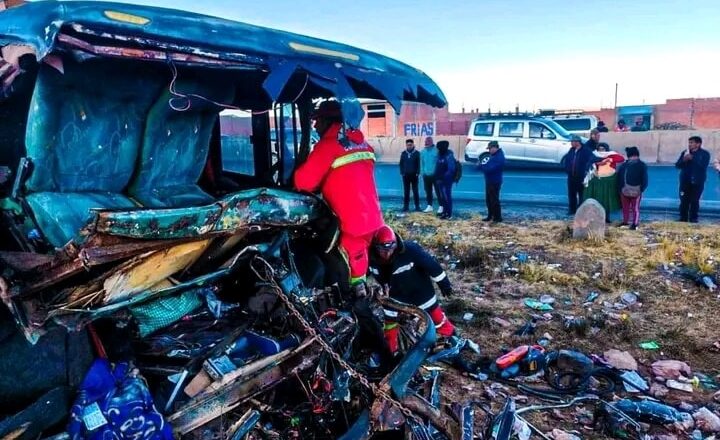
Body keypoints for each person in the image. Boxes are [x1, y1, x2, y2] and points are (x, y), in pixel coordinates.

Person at [294, 100, 383, 296]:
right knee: (359, 267)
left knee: (349, 279)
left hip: (351, 225)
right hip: (372, 220)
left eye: (318, 120)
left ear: (329, 121)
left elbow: (303, 183)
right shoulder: (362, 144)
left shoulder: (328, 146)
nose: (315, 125)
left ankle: (357, 312)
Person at [369, 225, 455, 354]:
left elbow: (432, 266)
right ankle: (391, 351)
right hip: (393, 297)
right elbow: (362, 272)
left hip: (420, 292)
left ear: (395, 244)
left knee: (435, 317)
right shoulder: (371, 257)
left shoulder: (410, 250)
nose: (387, 253)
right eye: (382, 249)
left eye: (390, 248)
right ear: (376, 247)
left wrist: (444, 284)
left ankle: (451, 337)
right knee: (390, 324)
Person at [583, 146, 625, 223]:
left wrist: (610, 159)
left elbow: (621, 158)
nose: (601, 151)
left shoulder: (610, 155)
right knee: (598, 199)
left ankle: (606, 217)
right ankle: (596, 217)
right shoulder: (594, 155)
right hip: (598, 181)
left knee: (607, 200)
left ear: (606, 149)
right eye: (600, 149)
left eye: (603, 149)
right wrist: (598, 163)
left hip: (609, 182)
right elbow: (589, 164)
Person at [675, 135, 711, 223]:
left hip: (698, 181)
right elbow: (677, 165)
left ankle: (693, 218)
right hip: (685, 181)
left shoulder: (705, 154)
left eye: (692, 143)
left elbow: (703, 166)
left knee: (695, 200)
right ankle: (683, 217)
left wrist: (693, 158)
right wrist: (684, 159)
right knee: (684, 200)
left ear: (698, 144)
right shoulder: (685, 152)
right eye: (689, 142)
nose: (689, 144)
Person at [616, 146, 648, 230]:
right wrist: (641, 189)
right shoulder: (642, 165)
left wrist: (620, 189)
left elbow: (619, 177)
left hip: (624, 190)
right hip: (636, 190)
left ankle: (626, 221)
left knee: (626, 208)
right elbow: (645, 180)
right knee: (635, 208)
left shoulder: (624, 165)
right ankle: (634, 223)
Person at [562, 135, 596, 215]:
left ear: (577, 142)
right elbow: (567, 160)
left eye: (572, 141)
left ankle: (581, 211)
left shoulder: (586, 151)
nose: (571, 143)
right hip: (571, 176)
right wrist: (567, 169)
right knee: (571, 194)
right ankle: (572, 210)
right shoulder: (571, 150)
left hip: (581, 176)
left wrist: (585, 169)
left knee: (582, 194)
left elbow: (592, 159)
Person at [479, 140, 505, 222]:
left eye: (490, 148)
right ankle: (490, 215)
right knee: (489, 199)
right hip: (490, 180)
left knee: (494, 200)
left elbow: (490, 168)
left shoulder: (498, 157)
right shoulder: (494, 155)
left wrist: (481, 167)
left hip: (494, 181)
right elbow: (488, 165)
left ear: (495, 148)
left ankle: (497, 217)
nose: (489, 150)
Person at [434, 140, 456, 219]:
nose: (437, 149)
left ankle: (449, 214)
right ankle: (444, 211)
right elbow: (437, 166)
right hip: (439, 180)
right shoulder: (439, 154)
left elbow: (451, 169)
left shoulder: (449, 156)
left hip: (446, 181)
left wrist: (442, 177)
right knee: (442, 197)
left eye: (438, 148)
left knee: (447, 196)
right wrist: (436, 176)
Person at [420, 136, 441, 213]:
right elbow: (421, 163)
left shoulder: (436, 151)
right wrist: (422, 173)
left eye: (428, 143)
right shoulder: (422, 152)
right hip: (426, 175)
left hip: (435, 175)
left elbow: (439, 163)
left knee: (438, 191)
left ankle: (441, 206)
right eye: (426, 143)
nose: (426, 144)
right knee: (428, 191)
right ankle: (429, 206)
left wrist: (438, 173)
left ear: (431, 143)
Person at [399, 139, 421, 211]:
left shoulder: (417, 153)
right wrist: (402, 172)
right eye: (408, 145)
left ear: (413, 145)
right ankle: (406, 207)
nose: (409, 146)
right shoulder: (403, 153)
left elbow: (419, 164)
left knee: (415, 191)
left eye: (410, 145)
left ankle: (417, 206)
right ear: (406, 145)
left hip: (415, 175)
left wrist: (418, 172)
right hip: (406, 176)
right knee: (406, 191)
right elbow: (401, 164)